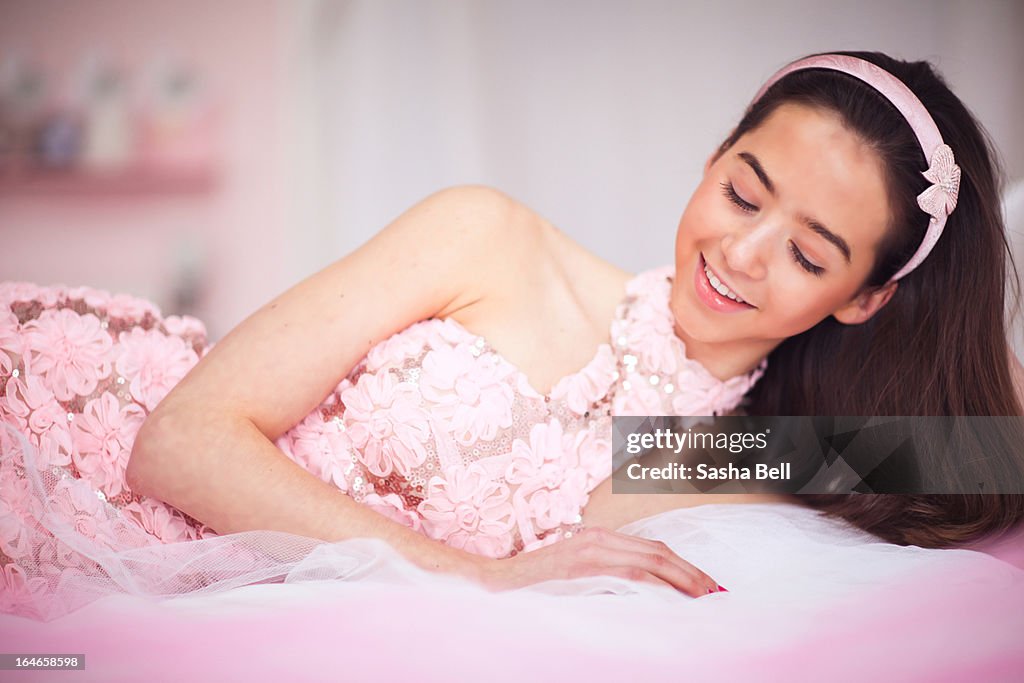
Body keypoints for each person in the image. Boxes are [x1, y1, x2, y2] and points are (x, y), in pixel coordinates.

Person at [2, 51, 1023, 621]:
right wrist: (471, 576)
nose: (745, 252)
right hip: (63, 426)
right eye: (740, 189)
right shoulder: (487, 234)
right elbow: (178, 439)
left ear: (863, 298)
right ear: (712, 156)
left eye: (809, 254)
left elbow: (983, 453)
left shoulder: (711, 455)